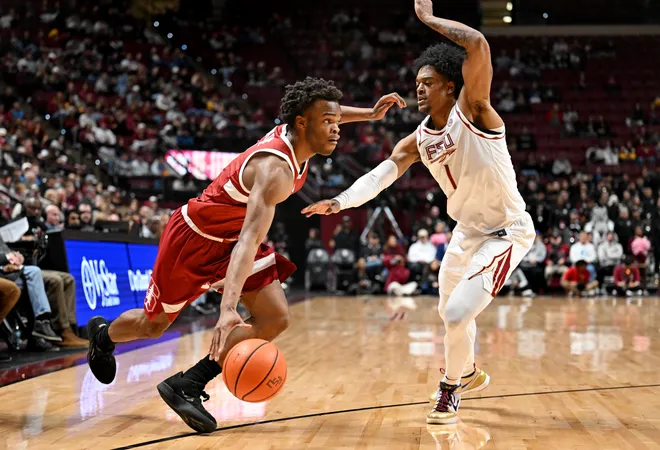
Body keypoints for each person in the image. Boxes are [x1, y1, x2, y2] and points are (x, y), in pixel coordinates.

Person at [85, 77, 406, 433]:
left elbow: (326, 110)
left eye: (336, 121)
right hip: (194, 241)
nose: (336, 129)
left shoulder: (300, 130)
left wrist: (370, 114)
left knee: (274, 318)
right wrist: (227, 310)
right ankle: (103, 337)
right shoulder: (276, 171)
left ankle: (188, 384)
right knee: (153, 325)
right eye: (328, 123)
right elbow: (250, 240)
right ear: (302, 123)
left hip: (232, 239)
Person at [302, 1, 535, 424]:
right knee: (451, 316)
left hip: (506, 232)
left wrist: (429, 21)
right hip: (466, 232)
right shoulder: (419, 139)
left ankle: (449, 388)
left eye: (427, 82)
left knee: (459, 313)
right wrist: (341, 202)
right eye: (416, 83)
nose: (419, 89)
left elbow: (479, 44)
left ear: (451, 85)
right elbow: (382, 174)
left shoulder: (476, 111)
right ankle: (467, 371)